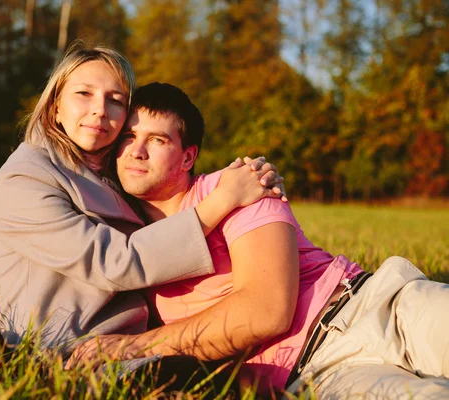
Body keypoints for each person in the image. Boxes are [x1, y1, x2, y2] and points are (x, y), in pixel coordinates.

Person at [69, 82, 449, 398]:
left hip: (374, 307)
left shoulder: (234, 186)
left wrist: (136, 346)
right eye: (130, 137)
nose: (136, 150)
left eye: (157, 139)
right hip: (316, 374)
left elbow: (268, 310)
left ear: (187, 158)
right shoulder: (124, 246)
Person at [0, 45, 285, 355]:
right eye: (84, 94)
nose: (100, 110)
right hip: (69, 352)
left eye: (115, 100)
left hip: (135, 345)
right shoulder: (25, 178)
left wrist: (253, 176)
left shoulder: (112, 173)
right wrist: (223, 198)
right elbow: (113, 263)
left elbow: (171, 178)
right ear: (55, 107)